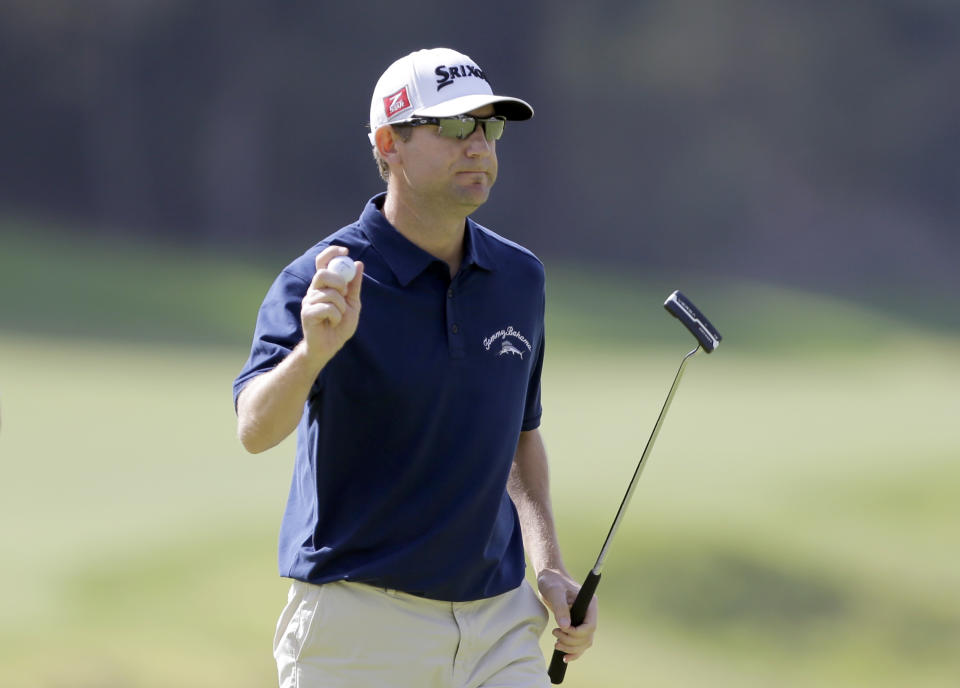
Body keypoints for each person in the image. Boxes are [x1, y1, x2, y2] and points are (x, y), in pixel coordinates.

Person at [233, 47, 597, 688]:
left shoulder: (518, 277)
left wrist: (548, 567)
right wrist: (314, 354)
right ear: (387, 143)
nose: (479, 145)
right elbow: (256, 428)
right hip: (358, 629)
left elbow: (519, 435)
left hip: (498, 628)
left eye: (490, 127)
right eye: (455, 126)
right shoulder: (322, 277)